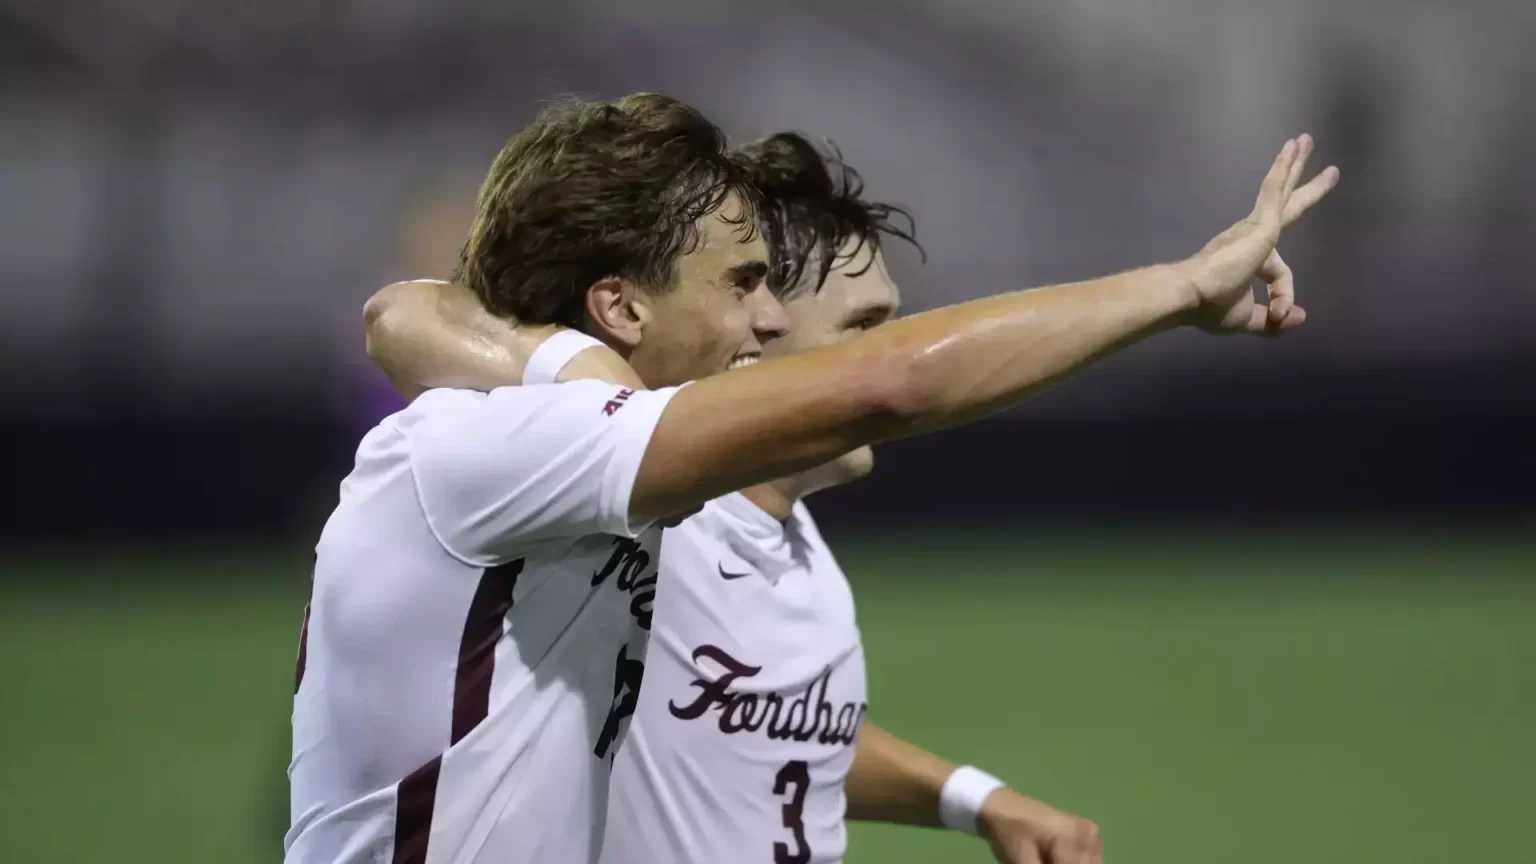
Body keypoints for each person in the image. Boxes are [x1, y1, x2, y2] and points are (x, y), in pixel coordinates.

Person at [293, 88, 1336, 864]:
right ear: (622, 304)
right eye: (741, 283)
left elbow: (411, 310)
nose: (769, 320)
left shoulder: (600, 464)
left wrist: (975, 798)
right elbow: (889, 387)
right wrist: (1182, 289)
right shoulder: (512, 448)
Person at [365, 132, 1109, 864]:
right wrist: (585, 370)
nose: (888, 353)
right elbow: (404, 314)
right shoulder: (640, 513)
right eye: (863, 329)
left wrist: (973, 798)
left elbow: (761, 743)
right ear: (760, 335)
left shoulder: (791, 538)